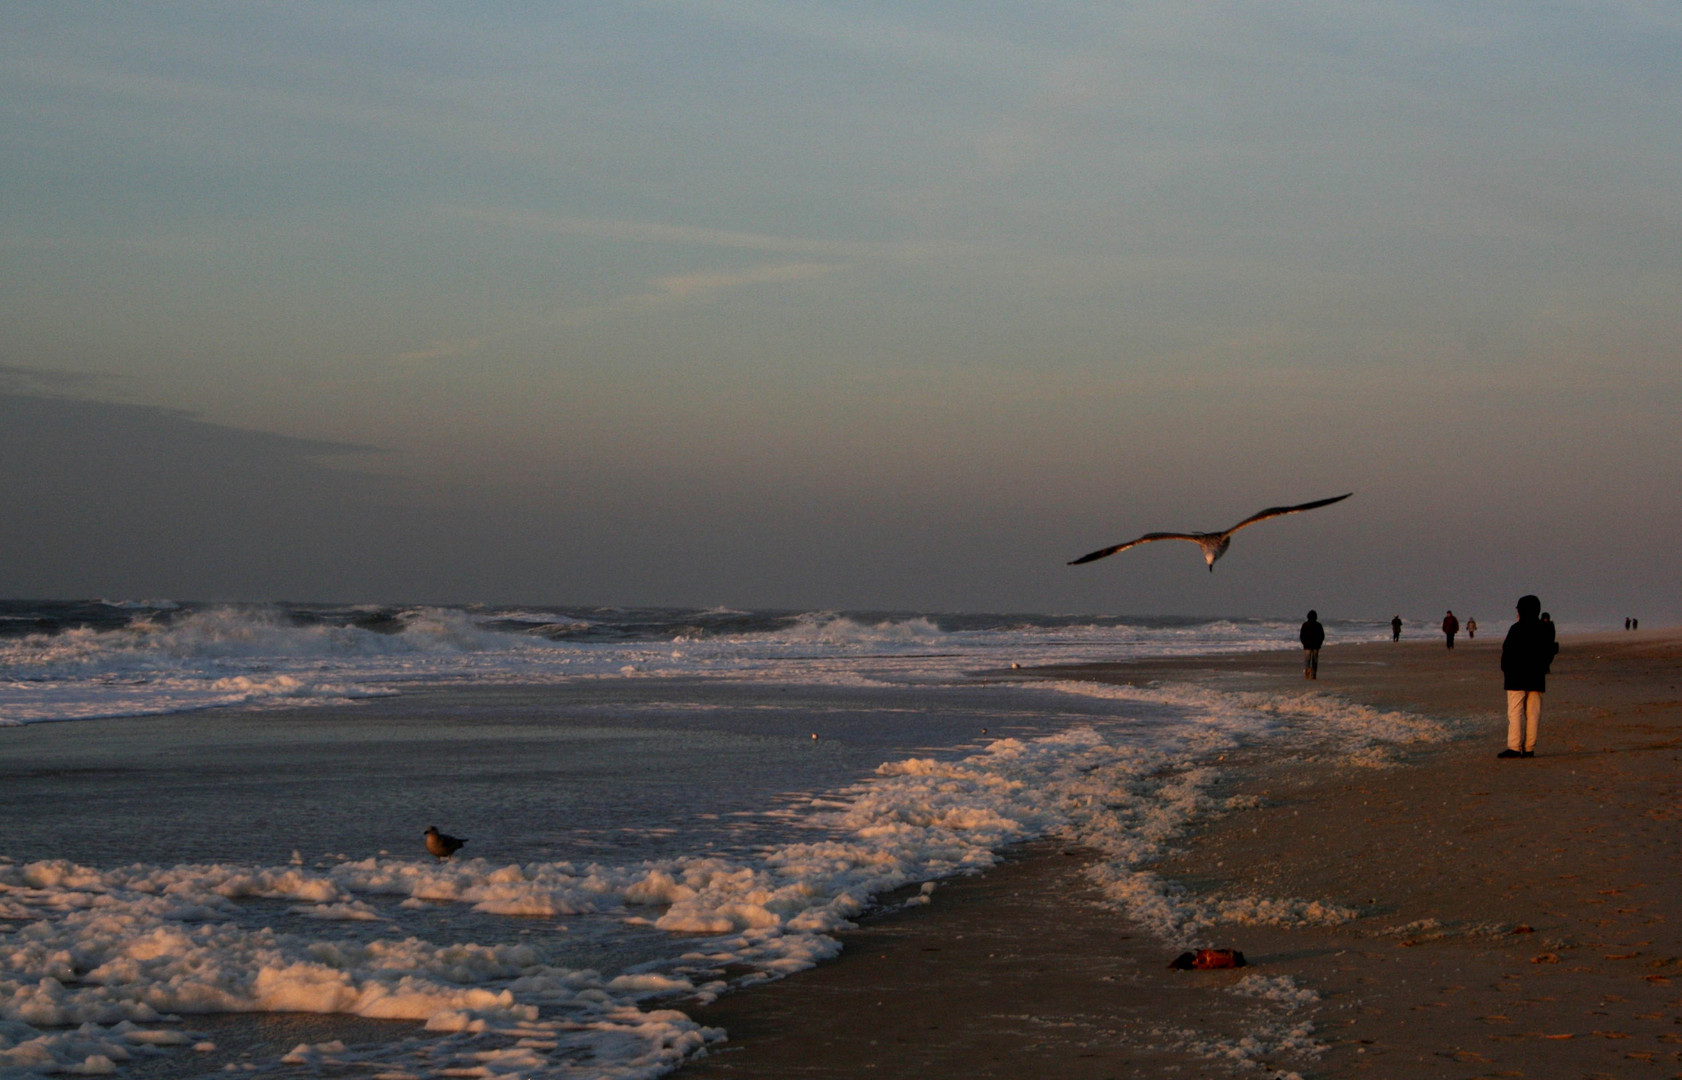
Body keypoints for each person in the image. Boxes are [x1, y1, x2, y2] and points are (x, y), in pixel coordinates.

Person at [1499, 594, 1555, 758]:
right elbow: (1549, 652)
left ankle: (1514, 747)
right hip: (1536, 677)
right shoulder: (1545, 629)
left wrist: (1506, 669)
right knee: (1533, 713)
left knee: (1515, 713)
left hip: (1515, 677)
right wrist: (1543, 667)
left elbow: (1507, 652)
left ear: (1521, 611)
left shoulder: (1516, 629)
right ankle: (1529, 748)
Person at [1300, 610, 1325, 679]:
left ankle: (1307, 673)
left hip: (1307, 645)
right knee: (1314, 661)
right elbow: (1322, 635)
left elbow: (1302, 635)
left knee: (1307, 660)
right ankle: (1313, 674)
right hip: (1316, 646)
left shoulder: (1305, 625)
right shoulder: (1318, 625)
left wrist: (1304, 642)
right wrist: (1320, 643)